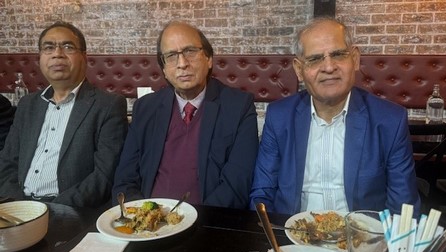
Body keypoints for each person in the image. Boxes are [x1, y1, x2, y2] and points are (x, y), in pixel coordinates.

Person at [249, 17, 421, 216]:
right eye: (314, 59)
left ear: (355, 59)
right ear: (299, 70)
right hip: (292, 239)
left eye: (338, 55)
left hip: (360, 241)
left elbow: (403, 210)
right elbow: (262, 194)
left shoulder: (390, 120)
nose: (329, 67)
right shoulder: (279, 117)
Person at [112, 21, 259, 209]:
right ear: (164, 68)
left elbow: (237, 185)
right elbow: (125, 178)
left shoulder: (238, 106)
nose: (182, 64)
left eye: (190, 51)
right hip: (148, 226)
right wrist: (141, 218)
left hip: (207, 225)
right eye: (172, 56)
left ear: (208, 58)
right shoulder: (145, 108)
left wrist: (196, 223)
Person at [0, 21, 128, 207]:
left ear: (84, 56)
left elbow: (104, 176)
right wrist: (18, 205)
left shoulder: (108, 105)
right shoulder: (28, 104)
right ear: (40, 57)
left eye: (68, 46)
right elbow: (7, 162)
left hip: (68, 210)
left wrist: (51, 210)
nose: (57, 54)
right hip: (16, 207)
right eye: (48, 47)